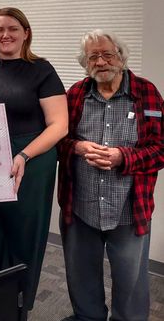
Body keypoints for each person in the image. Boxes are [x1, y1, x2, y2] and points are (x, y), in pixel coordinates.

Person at [0, 7, 68, 319]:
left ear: (26, 33)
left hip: (30, 161)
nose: (5, 35)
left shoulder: (41, 70)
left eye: (13, 29)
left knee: (21, 237)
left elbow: (59, 125)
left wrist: (23, 155)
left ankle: (16, 307)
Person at [58, 30, 164, 321]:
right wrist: (77, 146)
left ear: (120, 56)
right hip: (80, 208)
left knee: (131, 284)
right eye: (93, 56)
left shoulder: (147, 93)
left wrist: (123, 157)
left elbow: (160, 149)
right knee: (81, 277)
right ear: (85, 63)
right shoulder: (75, 95)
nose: (101, 61)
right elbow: (57, 140)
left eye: (107, 54)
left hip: (129, 210)